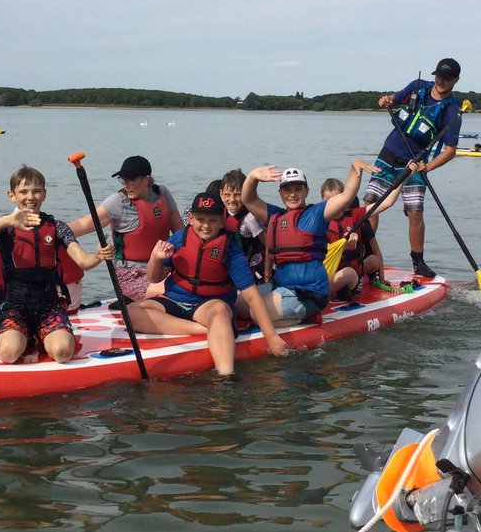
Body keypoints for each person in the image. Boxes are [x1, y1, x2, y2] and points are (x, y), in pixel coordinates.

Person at [127, 191, 287, 378]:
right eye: (200, 219)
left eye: (212, 221)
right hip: (175, 300)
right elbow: (155, 278)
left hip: (208, 305)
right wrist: (155, 258)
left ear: (222, 221)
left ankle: (226, 378)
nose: (205, 225)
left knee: (219, 311)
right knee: (130, 313)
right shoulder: (179, 239)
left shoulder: (230, 250)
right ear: (191, 218)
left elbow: (251, 295)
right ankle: (203, 330)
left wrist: (272, 337)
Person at [0, 165, 112, 364]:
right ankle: (21, 337)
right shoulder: (5, 227)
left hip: (49, 306)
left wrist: (99, 255)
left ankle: (41, 334)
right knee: (8, 353)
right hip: (15, 306)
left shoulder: (57, 227)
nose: (30, 197)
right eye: (23, 192)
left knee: (63, 353)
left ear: (44, 194)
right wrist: (9, 220)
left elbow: (84, 261)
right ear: (11, 196)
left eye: (36, 191)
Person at [242, 159, 389, 325]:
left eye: (298, 189)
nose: (292, 194)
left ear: (306, 191)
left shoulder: (317, 214)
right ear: (280, 193)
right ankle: (279, 311)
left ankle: (305, 317)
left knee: (256, 313)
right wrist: (253, 176)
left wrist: (355, 167)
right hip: (280, 286)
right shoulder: (275, 216)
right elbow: (248, 200)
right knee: (238, 304)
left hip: (309, 293)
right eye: (287, 190)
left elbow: (347, 196)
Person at [365, 58, 463, 279]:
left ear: (455, 81)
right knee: (371, 205)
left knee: (415, 213)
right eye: (439, 75)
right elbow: (393, 99)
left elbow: (450, 150)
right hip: (388, 154)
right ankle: (365, 253)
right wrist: (386, 100)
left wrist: (426, 167)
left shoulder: (452, 111)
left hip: (415, 165)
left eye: (447, 78)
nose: (441, 80)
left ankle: (418, 262)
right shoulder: (418, 87)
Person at [69, 155, 182, 302]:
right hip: (131, 274)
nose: (125, 185)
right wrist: (47, 228)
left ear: (147, 179)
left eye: (131, 180)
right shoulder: (118, 202)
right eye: (123, 180)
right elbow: (83, 225)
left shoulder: (162, 193)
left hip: (162, 269)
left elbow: (181, 234)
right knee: (175, 293)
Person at [319, 179, 383, 300]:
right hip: (329, 271)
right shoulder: (318, 220)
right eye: (328, 201)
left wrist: (383, 280)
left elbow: (376, 251)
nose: (333, 205)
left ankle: (351, 284)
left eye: (337, 200)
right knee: (347, 273)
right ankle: (331, 291)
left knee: (373, 261)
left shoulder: (357, 219)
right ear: (322, 198)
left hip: (351, 270)